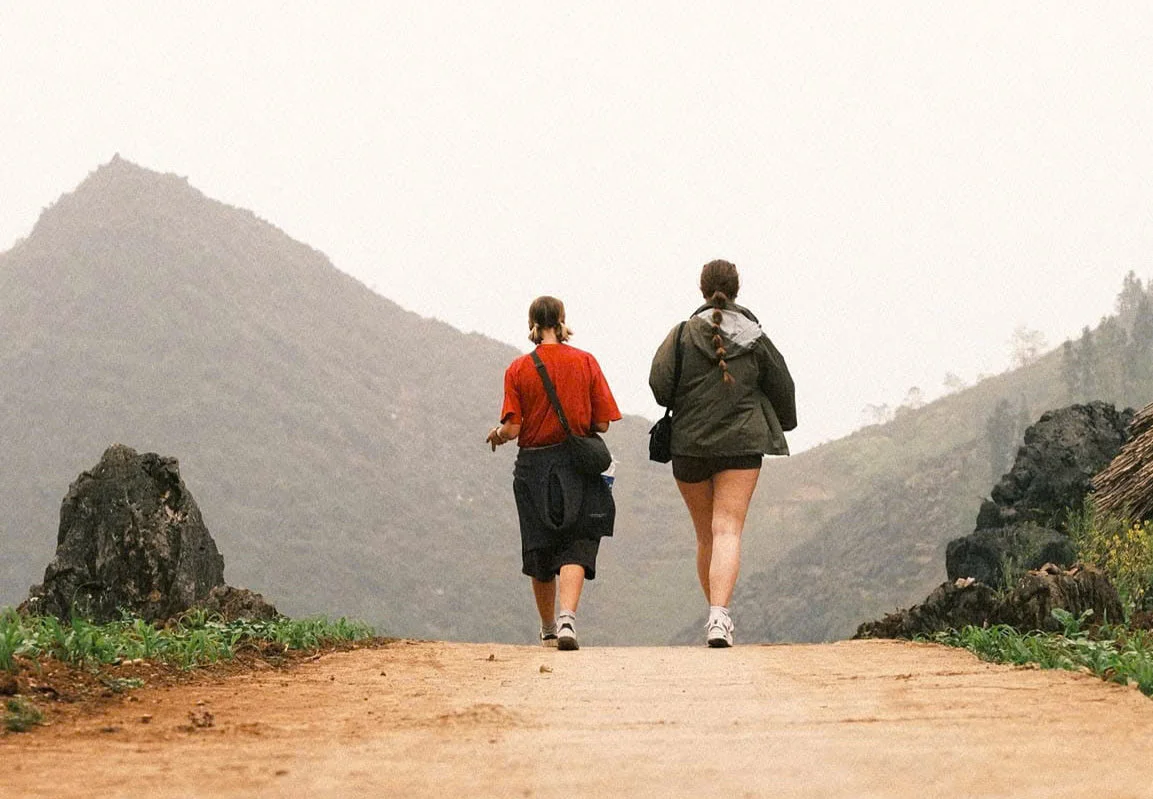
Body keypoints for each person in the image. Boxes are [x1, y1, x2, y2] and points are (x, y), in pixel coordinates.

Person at [649, 260, 796, 647]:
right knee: (727, 529)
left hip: (689, 447)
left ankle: (715, 616)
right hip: (742, 445)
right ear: (736, 290)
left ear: (702, 290)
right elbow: (784, 387)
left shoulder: (680, 335)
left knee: (705, 537)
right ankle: (720, 616)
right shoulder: (756, 338)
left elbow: (660, 387)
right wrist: (785, 422)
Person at [487, 296, 622, 650]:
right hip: (576, 464)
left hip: (533, 468)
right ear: (562, 321)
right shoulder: (586, 362)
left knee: (539, 545)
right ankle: (567, 621)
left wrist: (497, 435)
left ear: (531, 323)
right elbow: (603, 423)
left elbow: (513, 428)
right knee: (578, 542)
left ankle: (547, 629)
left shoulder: (518, 369)